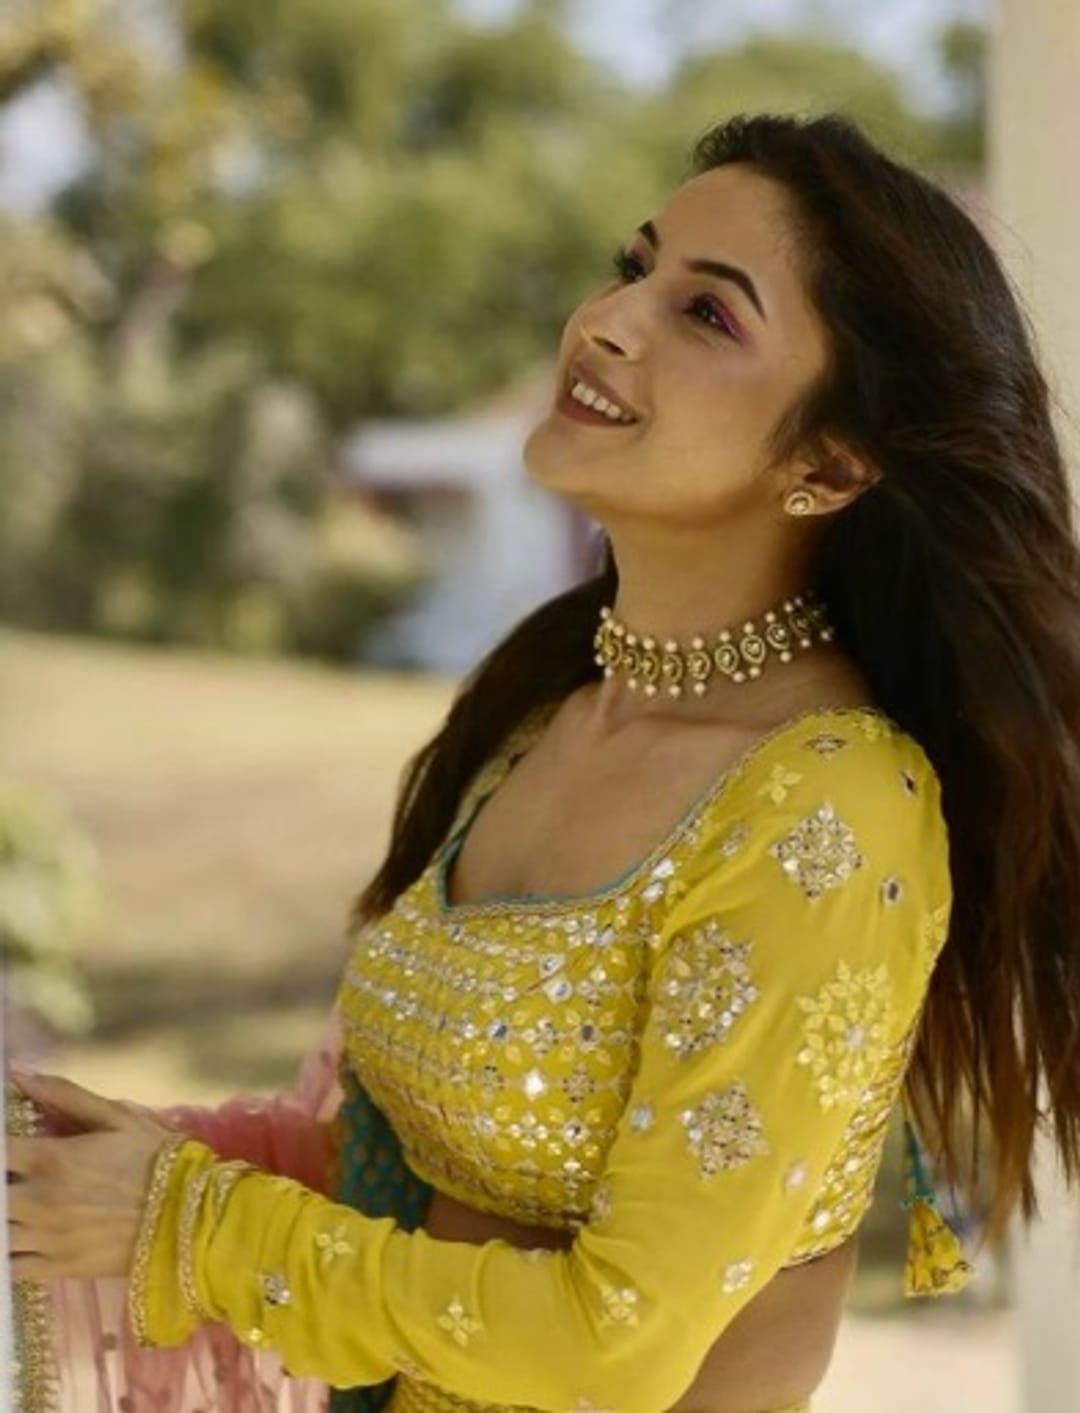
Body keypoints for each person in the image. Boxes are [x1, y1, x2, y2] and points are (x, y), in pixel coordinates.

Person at [7, 108, 1080, 1413]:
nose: (610, 321)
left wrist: (189, 1222)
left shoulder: (831, 809)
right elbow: (392, 1171)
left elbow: (617, 1342)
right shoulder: (548, 713)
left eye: (708, 313)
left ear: (832, 459)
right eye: (636, 267)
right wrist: (85, 1162)